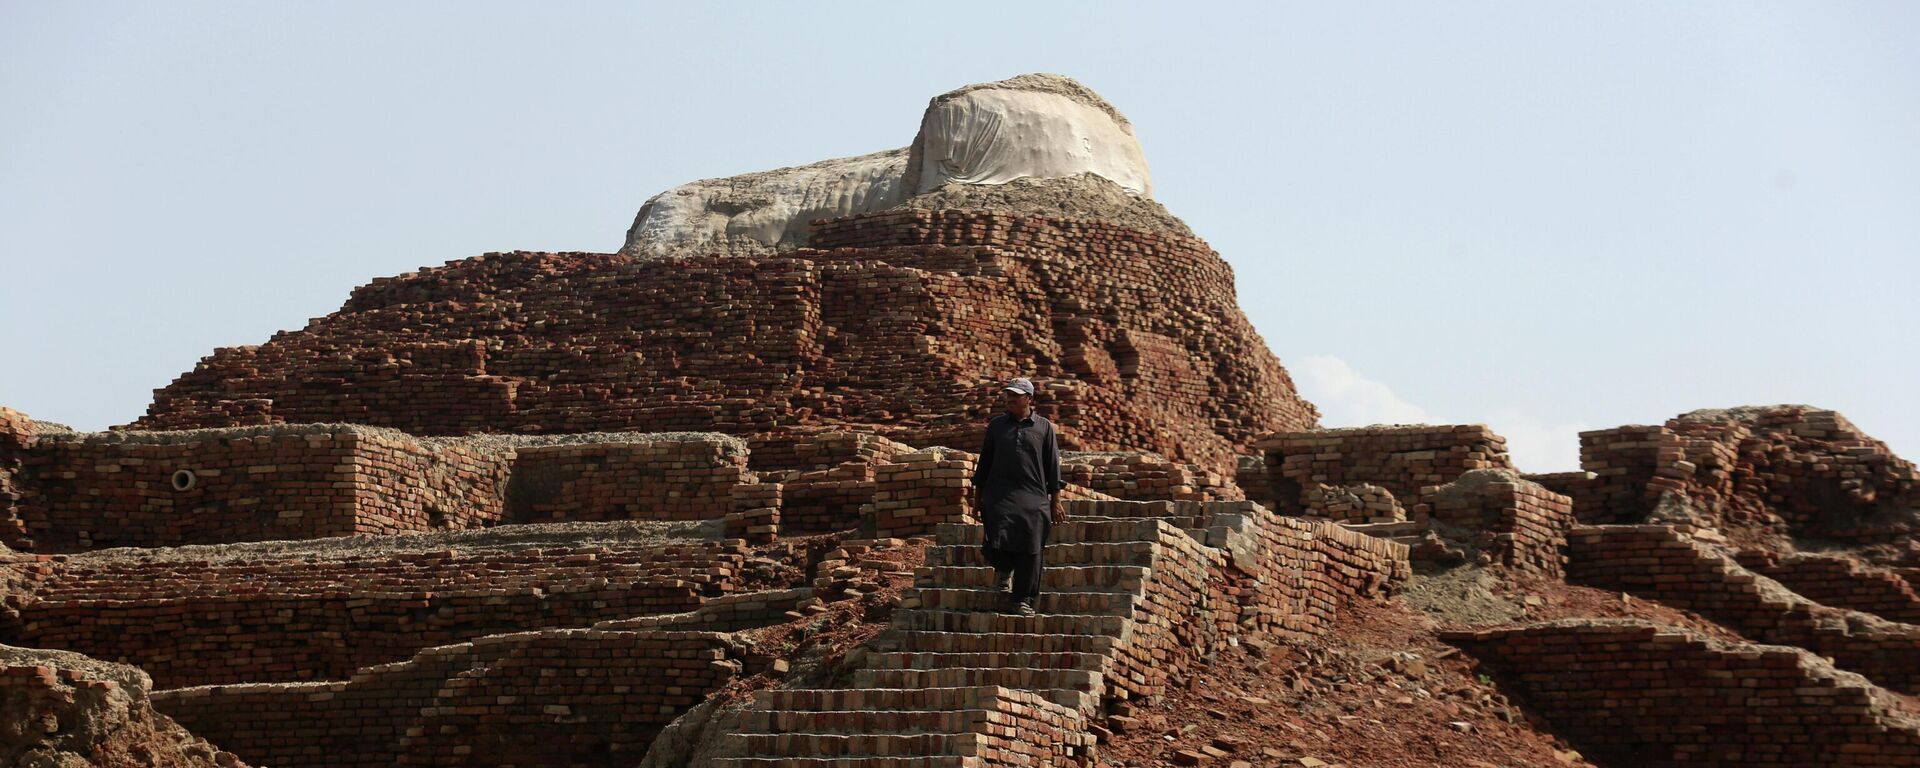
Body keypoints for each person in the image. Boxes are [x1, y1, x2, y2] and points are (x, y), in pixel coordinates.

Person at [970, 377, 1066, 616]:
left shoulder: (1044, 428)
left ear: (1029, 398)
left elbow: (1053, 466)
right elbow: (984, 463)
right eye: (1008, 394)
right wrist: (977, 498)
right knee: (994, 544)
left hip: (1033, 495)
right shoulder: (997, 426)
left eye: (1016, 395)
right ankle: (1004, 569)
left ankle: (1022, 599)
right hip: (998, 494)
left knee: (1032, 548)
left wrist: (1056, 500)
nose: (1010, 398)